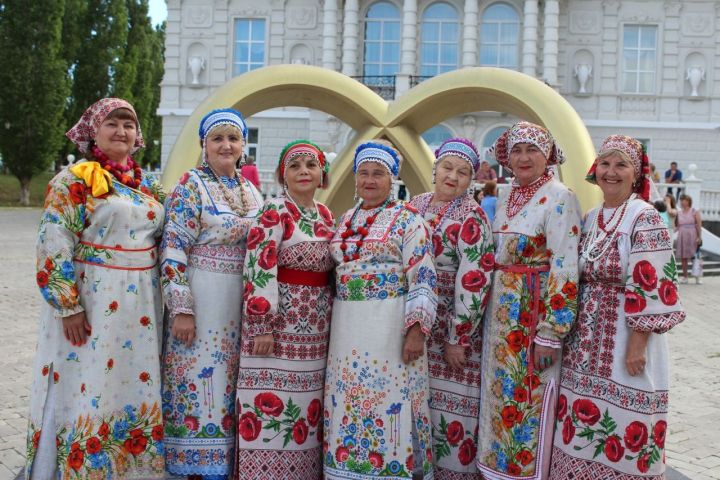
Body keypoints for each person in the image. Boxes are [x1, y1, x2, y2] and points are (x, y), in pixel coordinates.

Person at [26, 98, 167, 479]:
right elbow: (53, 241)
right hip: (93, 300)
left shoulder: (149, 185)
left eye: (130, 124)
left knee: (131, 381)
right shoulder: (74, 180)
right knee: (86, 380)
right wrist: (68, 305)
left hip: (141, 306)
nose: (122, 131)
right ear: (93, 131)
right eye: (113, 123)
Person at [549, 135, 686, 479]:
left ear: (636, 174)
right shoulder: (593, 217)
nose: (611, 172)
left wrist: (637, 345)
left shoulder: (645, 218)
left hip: (626, 339)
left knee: (625, 414)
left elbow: (649, 284)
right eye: (605, 164)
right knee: (579, 423)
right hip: (583, 344)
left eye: (621, 165)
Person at [323, 140, 438, 479]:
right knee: (348, 396)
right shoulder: (345, 220)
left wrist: (416, 330)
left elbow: (423, 275)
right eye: (363, 173)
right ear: (355, 178)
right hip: (347, 330)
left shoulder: (408, 219)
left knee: (390, 399)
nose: (370, 180)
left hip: (388, 327)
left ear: (393, 180)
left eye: (378, 174)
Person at [160, 109, 263, 479]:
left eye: (233, 138)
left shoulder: (251, 190)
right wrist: (182, 309)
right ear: (204, 145)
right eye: (217, 138)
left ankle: (229, 465)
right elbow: (173, 247)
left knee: (231, 384)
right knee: (198, 380)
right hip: (202, 299)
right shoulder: (190, 184)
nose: (226, 145)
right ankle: (192, 468)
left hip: (239, 306)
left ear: (242, 146)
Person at [476, 121, 582, 480]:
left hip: (531, 319)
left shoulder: (560, 197)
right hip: (499, 320)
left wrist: (551, 331)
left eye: (532, 150)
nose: (523, 158)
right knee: (498, 397)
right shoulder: (506, 197)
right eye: (516, 150)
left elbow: (564, 265)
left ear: (548, 156)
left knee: (527, 401)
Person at [235, 140, 335, 478]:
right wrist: (262, 325)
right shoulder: (275, 210)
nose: (304, 171)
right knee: (271, 409)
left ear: (322, 173)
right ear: (283, 176)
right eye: (295, 166)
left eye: (311, 164)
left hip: (315, 339)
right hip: (277, 334)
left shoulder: (325, 215)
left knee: (305, 413)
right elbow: (259, 266)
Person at [408, 138, 494, 479]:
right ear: (434, 169)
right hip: (414, 327)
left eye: (462, 172)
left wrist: (458, 335)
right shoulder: (414, 206)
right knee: (417, 402)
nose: (453, 177)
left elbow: (475, 278)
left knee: (452, 410)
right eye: (447, 167)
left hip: (449, 331)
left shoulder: (472, 217)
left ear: (471, 179)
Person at [675, 194, 702, 284]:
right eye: (682, 200)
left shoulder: (694, 211)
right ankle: (685, 276)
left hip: (692, 235)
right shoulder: (679, 212)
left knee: (694, 257)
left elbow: (699, 225)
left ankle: (697, 277)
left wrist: (699, 237)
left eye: (685, 200)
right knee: (683, 257)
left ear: (689, 201)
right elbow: (677, 226)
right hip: (682, 235)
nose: (683, 202)